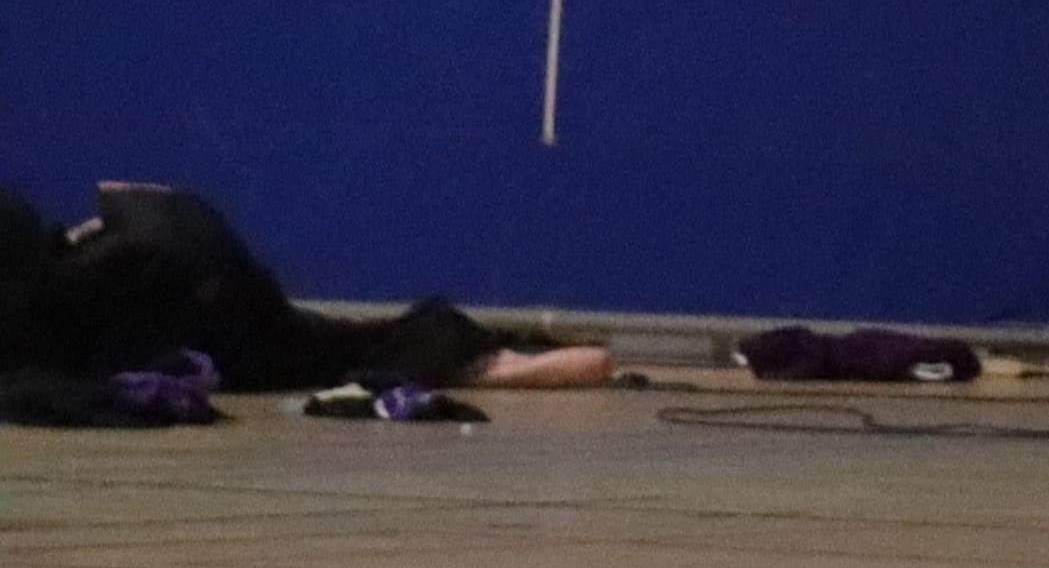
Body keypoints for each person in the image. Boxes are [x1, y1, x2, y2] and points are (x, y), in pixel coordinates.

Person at [0, 183, 610, 398]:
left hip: (168, 276)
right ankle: (478, 354)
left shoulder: (57, 301)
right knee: (320, 343)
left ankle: (475, 357)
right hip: (162, 252)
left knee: (318, 349)